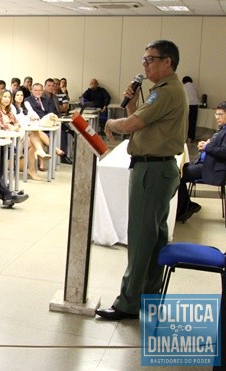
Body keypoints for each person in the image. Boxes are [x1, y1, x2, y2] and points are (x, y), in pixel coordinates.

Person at [98, 40, 186, 321]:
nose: (145, 64)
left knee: (140, 237)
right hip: (158, 169)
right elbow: (140, 120)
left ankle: (128, 302)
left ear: (167, 62)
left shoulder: (165, 92)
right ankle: (149, 295)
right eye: (143, 59)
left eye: (151, 59)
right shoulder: (162, 91)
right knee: (154, 236)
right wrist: (132, 104)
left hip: (152, 171)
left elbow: (132, 125)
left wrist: (109, 124)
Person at [176, 101, 226, 222]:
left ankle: (185, 209)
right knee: (179, 170)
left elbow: (224, 152)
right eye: (216, 114)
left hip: (213, 168)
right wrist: (206, 144)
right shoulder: (222, 129)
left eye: (220, 114)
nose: (217, 117)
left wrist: (206, 147)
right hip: (206, 163)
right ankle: (186, 206)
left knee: (177, 176)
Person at [12, 89, 59, 179]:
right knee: (37, 132)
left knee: (35, 141)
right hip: (19, 134)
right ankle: (53, 148)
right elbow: (16, 122)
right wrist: (29, 121)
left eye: (21, 95)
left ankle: (32, 170)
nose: (20, 97)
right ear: (14, 97)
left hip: (29, 133)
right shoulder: (12, 107)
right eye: (17, 95)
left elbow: (34, 115)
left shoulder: (26, 104)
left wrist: (34, 118)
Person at [182, 76, 201, 141]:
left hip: (187, 105)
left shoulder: (183, 87)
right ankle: (191, 137)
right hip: (195, 105)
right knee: (193, 122)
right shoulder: (195, 86)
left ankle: (185, 137)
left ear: (184, 82)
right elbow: (198, 96)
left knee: (186, 121)